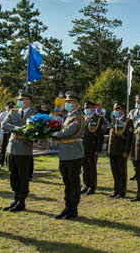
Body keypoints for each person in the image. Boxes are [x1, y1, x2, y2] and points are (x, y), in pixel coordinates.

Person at [51, 91, 84, 220]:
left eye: (70, 102)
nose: (67, 103)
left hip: (74, 152)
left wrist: (54, 134)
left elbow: (69, 131)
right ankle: (67, 206)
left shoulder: (78, 117)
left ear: (77, 103)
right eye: (67, 102)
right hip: (65, 152)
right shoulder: (67, 116)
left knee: (73, 181)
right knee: (67, 182)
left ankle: (73, 209)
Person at [0, 90, 35, 212]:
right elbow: (4, 124)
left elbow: (33, 130)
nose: (19, 102)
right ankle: (16, 197)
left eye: (22, 100)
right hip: (11, 146)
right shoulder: (13, 112)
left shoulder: (34, 114)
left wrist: (22, 129)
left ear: (28, 101)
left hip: (24, 147)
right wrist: (16, 128)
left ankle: (22, 200)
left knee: (22, 175)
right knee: (12, 174)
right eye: (18, 100)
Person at [107, 102, 133, 198]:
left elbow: (129, 138)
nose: (115, 111)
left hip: (121, 151)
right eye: (114, 109)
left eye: (117, 109)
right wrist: (108, 149)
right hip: (112, 150)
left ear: (123, 110)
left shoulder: (127, 121)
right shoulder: (114, 120)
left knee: (121, 172)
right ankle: (116, 190)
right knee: (115, 172)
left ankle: (122, 192)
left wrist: (126, 151)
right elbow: (111, 136)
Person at [81, 101, 104, 195]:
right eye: (86, 108)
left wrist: (98, 149)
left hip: (92, 147)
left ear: (94, 108)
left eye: (89, 108)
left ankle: (92, 187)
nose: (86, 109)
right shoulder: (84, 118)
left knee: (92, 168)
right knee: (85, 168)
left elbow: (100, 136)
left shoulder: (98, 119)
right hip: (83, 147)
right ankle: (85, 185)